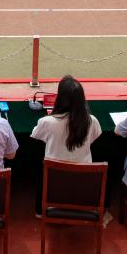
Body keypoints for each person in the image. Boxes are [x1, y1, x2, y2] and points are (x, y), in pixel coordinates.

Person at [31, 75, 103, 214]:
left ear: (60, 99)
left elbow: (35, 134)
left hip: (54, 179)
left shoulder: (47, 122)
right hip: (83, 179)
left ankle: (40, 210)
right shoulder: (92, 121)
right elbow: (93, 138)